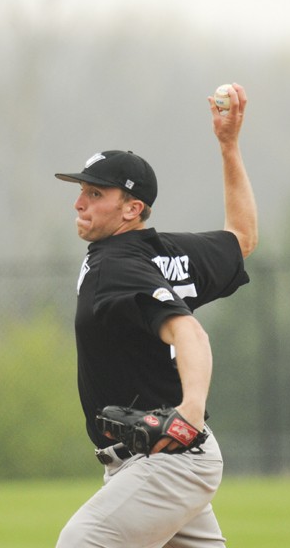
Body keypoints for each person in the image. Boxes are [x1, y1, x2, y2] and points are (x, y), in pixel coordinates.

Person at [54, 83, 258, 547]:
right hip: (161, 456)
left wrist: (190, 409)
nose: (79, 202)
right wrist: (229, 147)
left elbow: (190, 335)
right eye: (81, 190)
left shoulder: (117, 266)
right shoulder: (166, 253)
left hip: (168, 456)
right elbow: (242, 237)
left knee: (81, 542)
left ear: (132, 208)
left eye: (94, 193)